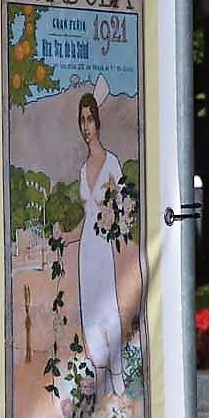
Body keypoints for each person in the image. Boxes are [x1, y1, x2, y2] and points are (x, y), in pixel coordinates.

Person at [75, 80, 124, 395]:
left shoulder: (112, 163)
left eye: (90, 119)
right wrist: (64, 235)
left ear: (98, 121)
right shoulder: (82, 170)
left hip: (104, 248)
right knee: (90, 312)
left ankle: (118, 376)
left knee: (110, 310)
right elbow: (84, 218)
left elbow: (122, 211)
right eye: (81, 121)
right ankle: (99, 385)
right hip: (85, 251)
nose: (86, 127)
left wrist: (113, 218)